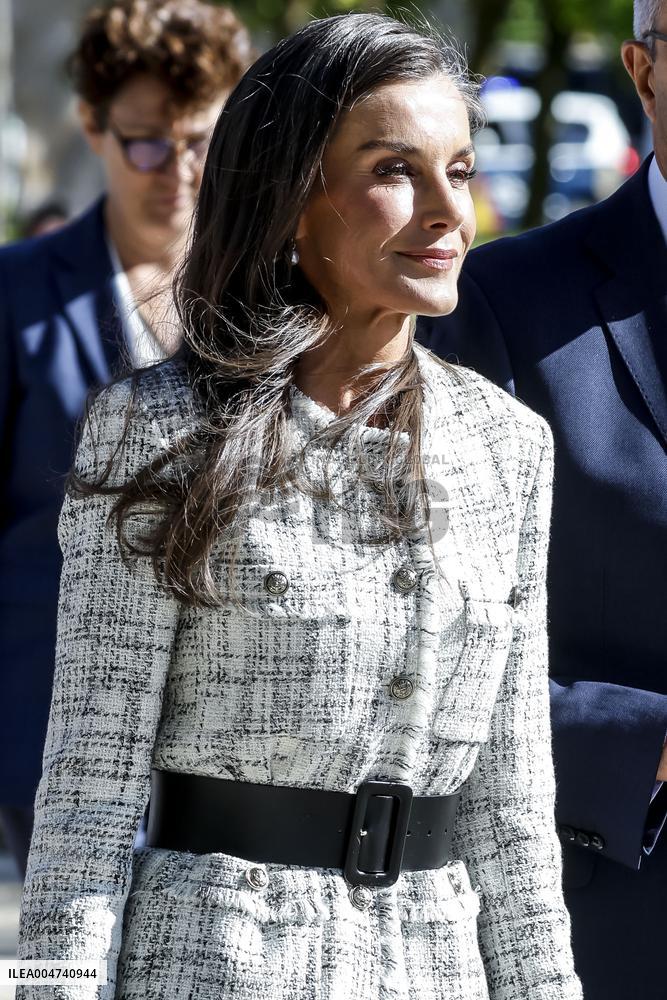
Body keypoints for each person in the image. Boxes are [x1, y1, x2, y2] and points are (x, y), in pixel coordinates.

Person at [15, 14, 582, 1000]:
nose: (448, 210)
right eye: (394, 169)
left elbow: (514, 809)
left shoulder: (509, 446)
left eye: (459, 169)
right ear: (290, 197)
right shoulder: (157, 430)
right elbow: (87, 797)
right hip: (213, 964)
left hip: (436, 969)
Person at [417, 2, 667, 998]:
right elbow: (428, 641)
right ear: (642, 72)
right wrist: (647, 747)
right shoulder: (504, 303)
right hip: (606, 923)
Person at [0, 0, 252, 880]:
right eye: (147, 143)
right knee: (75, 946)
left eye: (200, 142)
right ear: (92, 126)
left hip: (230, 722)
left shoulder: (268, 296)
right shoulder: (16, 293)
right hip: (53, 720)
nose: (178, 171)